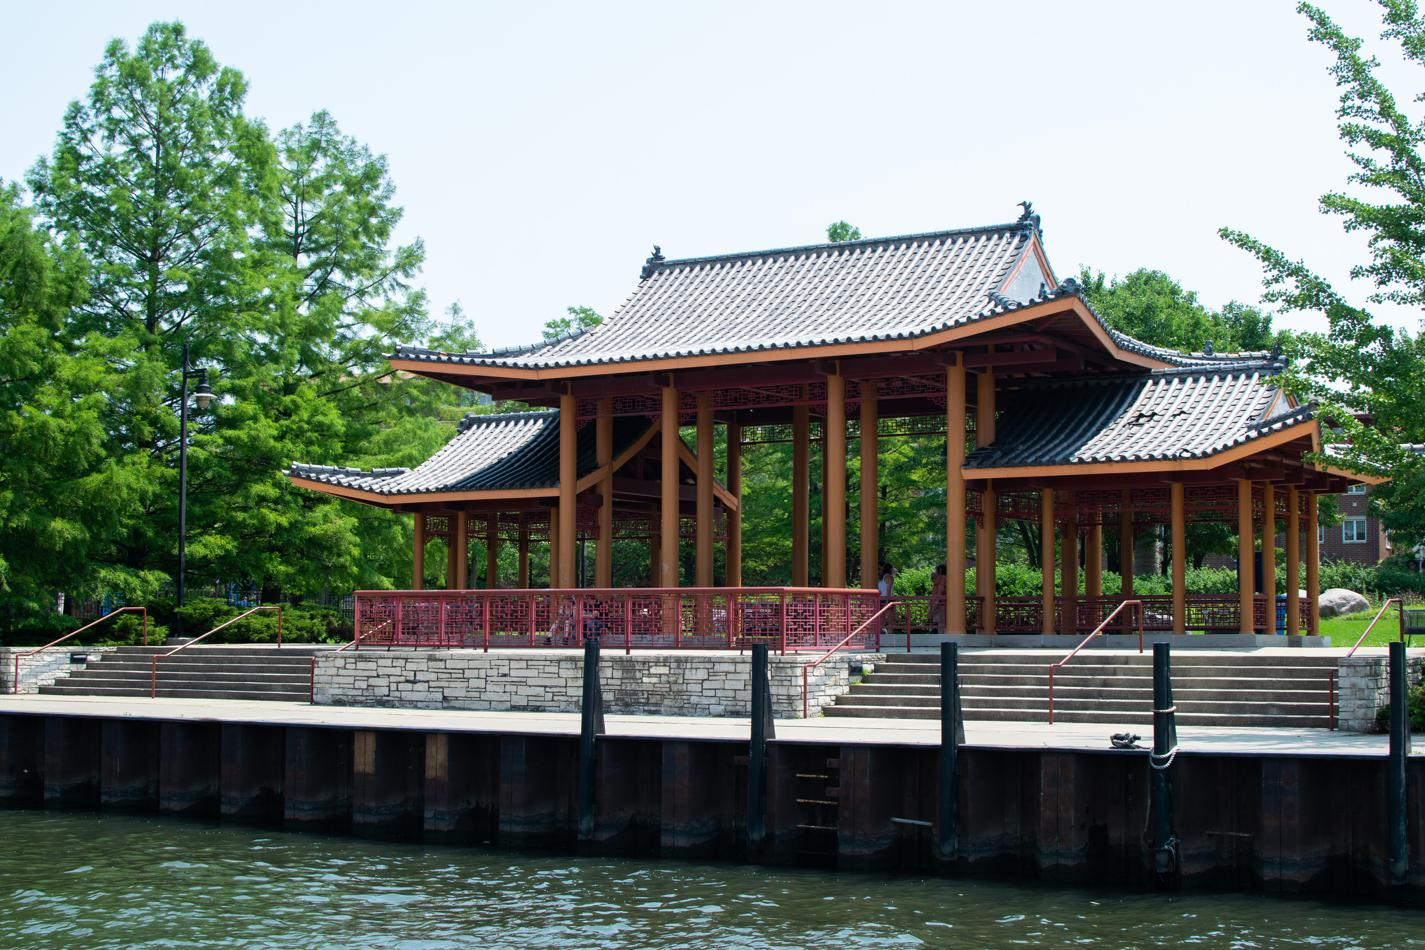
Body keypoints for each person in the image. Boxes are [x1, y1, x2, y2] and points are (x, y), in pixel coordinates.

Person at [930, 563, 947, 633]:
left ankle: (941, 639)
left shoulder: (942, 578)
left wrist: (936, 603)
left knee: (940, 622)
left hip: (940, 603)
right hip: (941, 602)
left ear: (939, 570)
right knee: (941, 622)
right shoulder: (945, 577)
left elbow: (941, 590)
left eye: (936, 570)